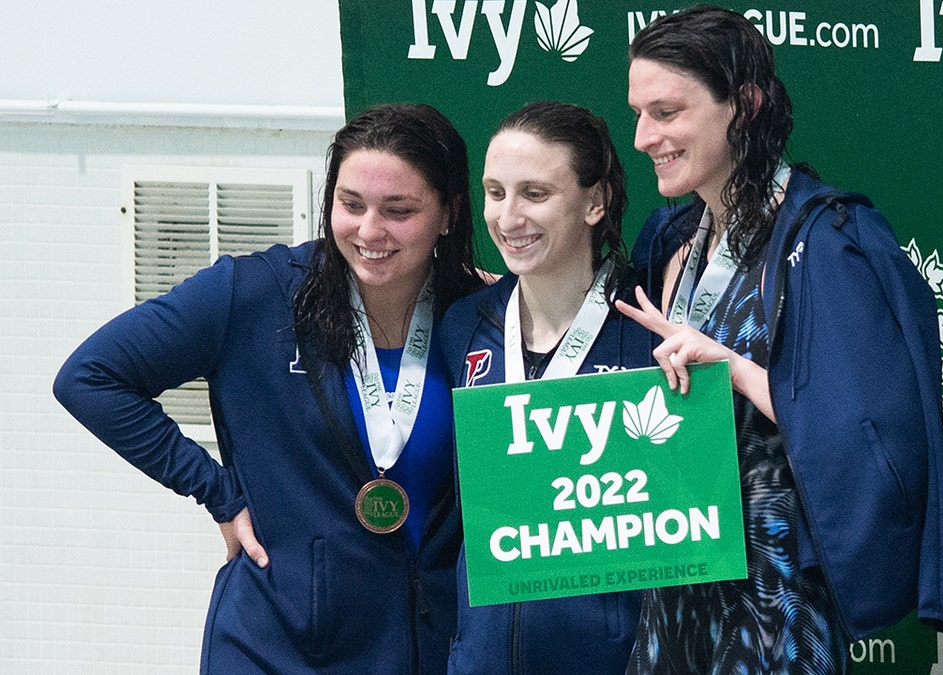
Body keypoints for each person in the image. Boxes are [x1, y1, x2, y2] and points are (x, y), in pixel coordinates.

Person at [53, 103, 485, 673]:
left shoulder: (481, 318)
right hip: (278, 645)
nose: (369, 230)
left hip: (427, 645)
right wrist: (217, 492)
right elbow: (89, 378)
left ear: (449, 213)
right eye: (350, 205)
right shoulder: (256, 295)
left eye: (399, 210)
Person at [619, 5, 943, 673]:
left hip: (772, 608)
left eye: (665, 112)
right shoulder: (673, 237)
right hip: (674, 597)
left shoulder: (827, 243)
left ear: (742, 105)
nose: (643, 136)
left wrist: (736, 368)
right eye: (638, 113)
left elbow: (873, 429)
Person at [439, 101, 648, 674]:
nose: (508, 218)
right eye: (496, 191)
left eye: (534, 193)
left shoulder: (650, 330)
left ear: (595, 202)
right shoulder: (464, 326)